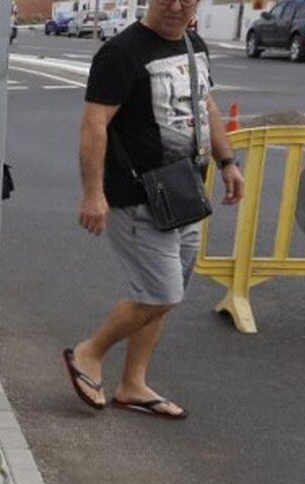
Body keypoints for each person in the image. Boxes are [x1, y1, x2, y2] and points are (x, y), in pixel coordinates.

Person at [66, 0, 243, 419]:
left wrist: (228, 161)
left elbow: (206, 105)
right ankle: (88, 354)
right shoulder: (121, 53)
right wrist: (93, 193)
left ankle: (133, 384)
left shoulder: (193, 43)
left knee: (162, 296)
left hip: (183, 194)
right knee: (162, 293)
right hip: (137, 196)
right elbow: (94, 124)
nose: (177, 6)